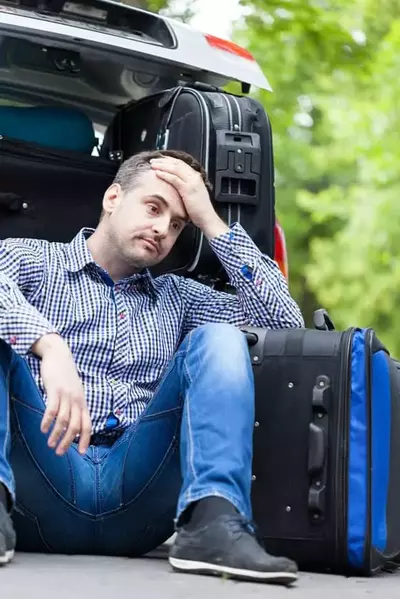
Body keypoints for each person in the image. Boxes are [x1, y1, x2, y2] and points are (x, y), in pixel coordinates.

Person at [0, 149, 304, 584]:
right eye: (153, 208)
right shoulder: (32, 260)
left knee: (219, 337)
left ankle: (213, 524)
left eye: (178, 224)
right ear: (112, 198)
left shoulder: (179, 297)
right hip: (42, 481)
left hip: (139, 498)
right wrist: (49, 346)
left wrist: (211, 222)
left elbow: (284, 325)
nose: (163, 229)